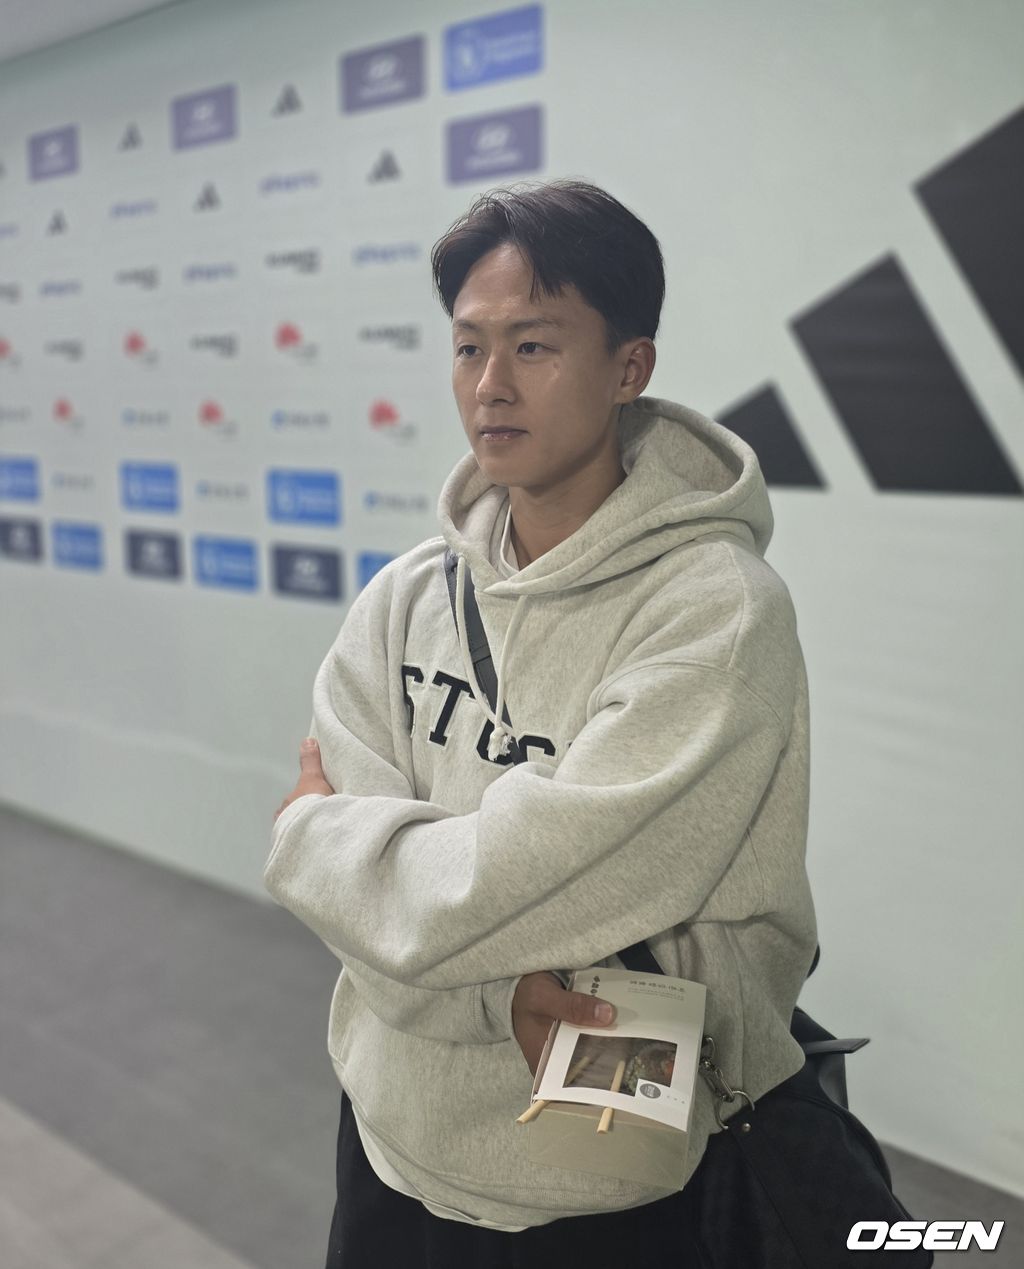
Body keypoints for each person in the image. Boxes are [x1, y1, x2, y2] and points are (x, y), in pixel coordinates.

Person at [266, 179, 817, 1267]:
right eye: (469, 348)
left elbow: (557, 872)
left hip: (606, 1176)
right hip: (389, 1134)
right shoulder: (403, 598)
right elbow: (393, 905)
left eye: (533, 346)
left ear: (629, 367)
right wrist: (496, 986)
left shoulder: (713, 610)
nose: (491, 385)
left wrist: (315, 841)